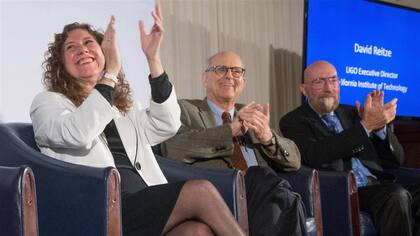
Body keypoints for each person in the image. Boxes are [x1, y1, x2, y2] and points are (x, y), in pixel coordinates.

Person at [30, 5, 245, 236]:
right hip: (98, 208)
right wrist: (110, 73)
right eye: (71, 47)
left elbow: (166, 125)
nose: (82, 50)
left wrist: (153, 59)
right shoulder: (47, 103)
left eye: (89, 43)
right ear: (61, 64)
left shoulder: (122, 106)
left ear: (104, 52)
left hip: (143, 201)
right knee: (200, 190)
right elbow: (78, 133)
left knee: (196, 232)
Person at [161, 51, 308, 235]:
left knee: (278, 194)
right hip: (219, 196)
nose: (229, 75)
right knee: (277, 189)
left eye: (236, 71)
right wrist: (232, 128)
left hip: (262, 196)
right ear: (205, 79)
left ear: (243, 82)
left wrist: (267, 137)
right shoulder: (186, 109)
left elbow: (294, 160)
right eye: (221, 69)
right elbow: (174, 148)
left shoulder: (253, 114)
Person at [280, 60, 420, 236]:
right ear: (304, 89)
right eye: (319, 81)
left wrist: (379, 127)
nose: (328, 88)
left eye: (333, 80)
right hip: (343, 190)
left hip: (376, 184)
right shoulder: (293, 121)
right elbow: (316, 154)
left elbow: (396, 160)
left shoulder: (352, 113)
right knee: (394, 195)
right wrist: (366, 126)